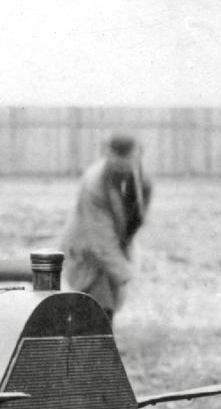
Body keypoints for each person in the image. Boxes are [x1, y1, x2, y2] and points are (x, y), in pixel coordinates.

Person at [61, 132, 152, 322]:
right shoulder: (94, 183)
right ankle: (93, 350)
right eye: (118, 164)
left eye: (128, 163)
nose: (123, 168)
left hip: (113, 249)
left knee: (109, 304)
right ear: (108, 157)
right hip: (87, 250)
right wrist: (126, 274)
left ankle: (101, 347)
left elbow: (136, 219)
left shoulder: (143, 180)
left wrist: (127, 260)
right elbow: (101, 240)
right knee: (96, 309)